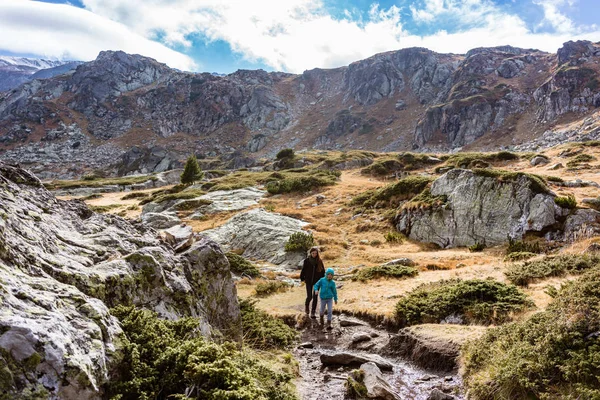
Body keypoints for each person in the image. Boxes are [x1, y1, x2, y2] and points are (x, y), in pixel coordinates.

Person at [300, 247, 325, 318]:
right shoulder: (307, 261)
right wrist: (302, 278)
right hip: (308, 281)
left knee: (315, 296)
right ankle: (307, 305)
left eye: (316, 253)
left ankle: (313, 312)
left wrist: (322, 280)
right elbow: (303, 270)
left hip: (317, 282)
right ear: (310, 253)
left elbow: (323, 272)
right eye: (313, 253)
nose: (314, 254)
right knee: (309, 296)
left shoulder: (319, 261)